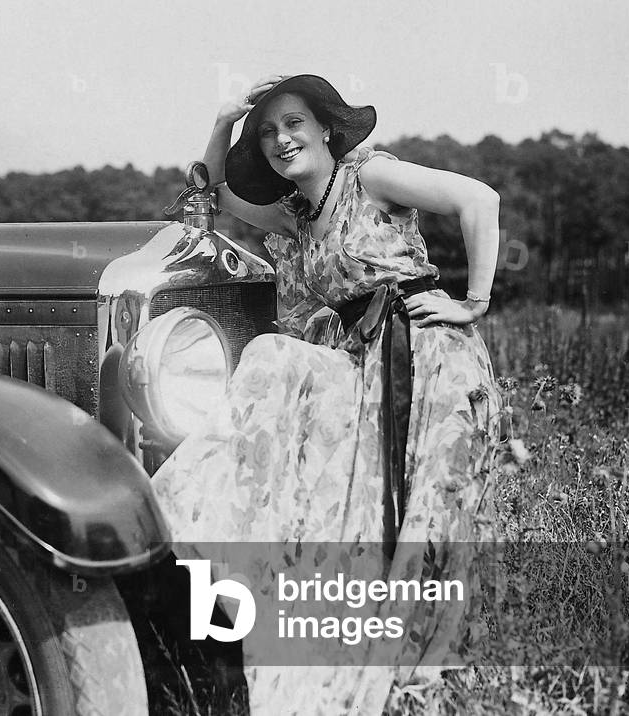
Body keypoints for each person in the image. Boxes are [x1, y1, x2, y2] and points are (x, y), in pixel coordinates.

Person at [150, 74, 503, 713]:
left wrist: (473, 303)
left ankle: (418, 677)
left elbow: (479, 198)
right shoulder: (295, 214)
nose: (282, 139)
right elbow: (215, 192)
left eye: (293, 124)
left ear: (324, 130)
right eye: (267, 133)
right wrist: (224, 121)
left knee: (423, 520)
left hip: (426, 360)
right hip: (362, 365)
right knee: (339, 496)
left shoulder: (370, 176)